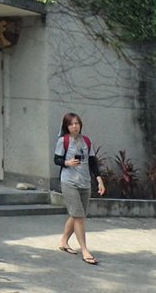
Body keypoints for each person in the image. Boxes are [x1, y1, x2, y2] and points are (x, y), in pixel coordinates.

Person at [54, 111, 105, 265]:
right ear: (67, 126)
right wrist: (67, 163)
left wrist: (99, 180)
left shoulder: (87, 141)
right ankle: (85, 250)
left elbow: (92, 162)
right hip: (69, 182)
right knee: (79, 216)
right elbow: (56, 159)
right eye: (71, 124)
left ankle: (64, 241)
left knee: (77, 214)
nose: (74, 126)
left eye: (76, 123)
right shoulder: (64, 141)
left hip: (85, 182)